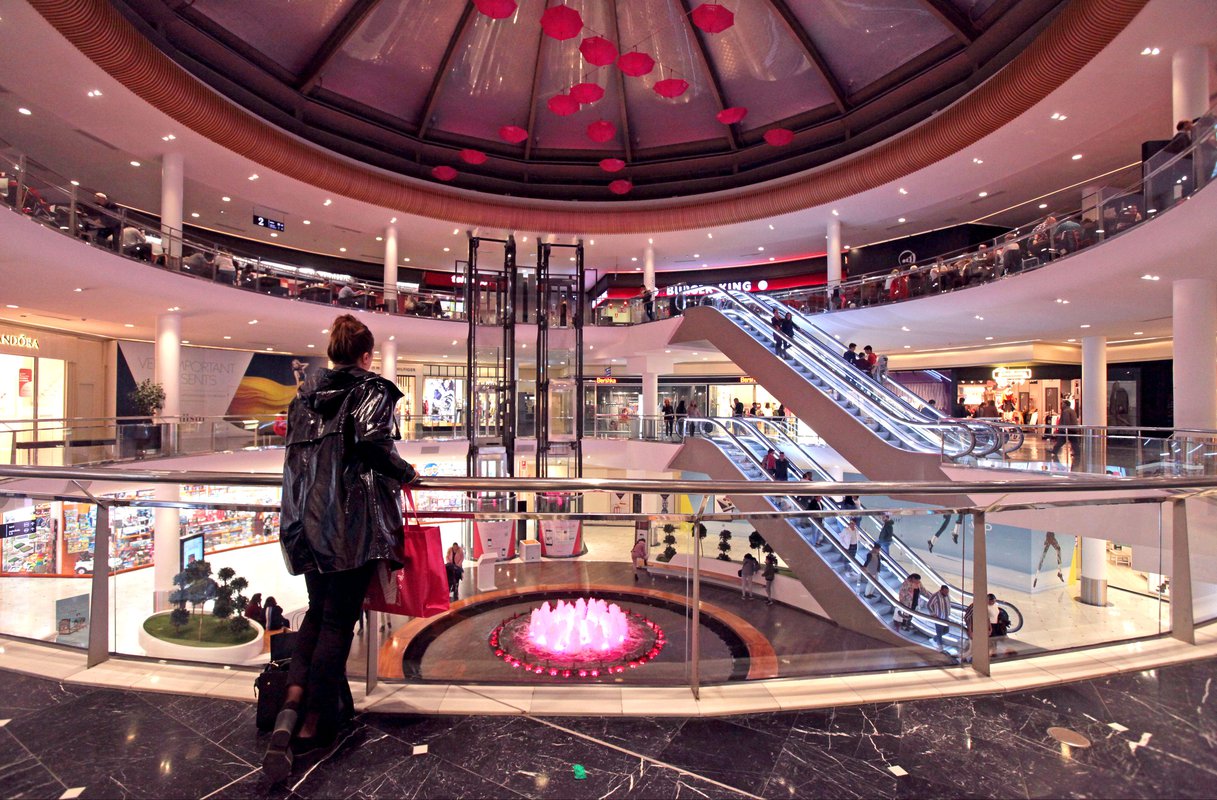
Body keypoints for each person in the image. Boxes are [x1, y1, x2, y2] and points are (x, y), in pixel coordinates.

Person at [266, 314, 418, 781]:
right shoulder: (371, 389)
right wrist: (407, 472)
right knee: (338, 620)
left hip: (308, 521)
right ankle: (316, 718)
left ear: (333, 353)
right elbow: (374, 444)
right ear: (366, 355)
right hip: (349, 524)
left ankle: (290, 705)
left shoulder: (305, 396)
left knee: (316, 612)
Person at [1051, 399, 1080, 464]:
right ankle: (1077, 453)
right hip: (1073, 429)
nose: (1061, 405)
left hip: (1067, 430)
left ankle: (1054, 451)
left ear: (1065, 404)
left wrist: (1064, 429)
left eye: (1062, 404)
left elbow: (1066, 421)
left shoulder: (1066, 411)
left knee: (1060, 441)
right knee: (1074, 442)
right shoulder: (1072, 410)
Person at [926, 585, 951, 650]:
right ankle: (940, 647)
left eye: (947, 592)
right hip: (939, 618)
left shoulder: (947, 595)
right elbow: (929, 605)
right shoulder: (935, 596)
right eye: (945, 592)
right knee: (939, 632)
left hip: (946, 617)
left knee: (946, 631)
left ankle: (934, 639)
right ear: (941, 590)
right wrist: (933, 614)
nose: (947, 593)